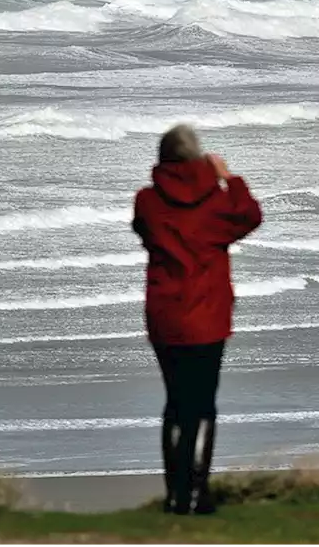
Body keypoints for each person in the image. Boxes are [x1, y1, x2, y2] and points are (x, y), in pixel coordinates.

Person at [131, 124, 263, 515]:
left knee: (176, 403)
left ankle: (175, 494)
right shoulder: (218, 204)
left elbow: (143, 231)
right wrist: (229, 178)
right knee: (203, 403)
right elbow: (250, 217)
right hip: (208, 315)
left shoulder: (148, 203)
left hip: (166, 315)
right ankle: (197, 494)